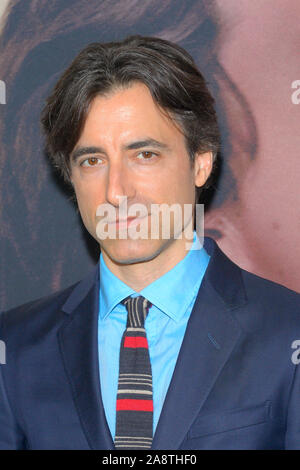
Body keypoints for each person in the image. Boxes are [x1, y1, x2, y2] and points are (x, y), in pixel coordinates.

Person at [0, 35, 299, 450]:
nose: (116, 191)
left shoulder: (288, 332)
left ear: (201, 162)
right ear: (70, 178)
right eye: (92, 161)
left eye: (144, 155)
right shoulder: (14, 348)